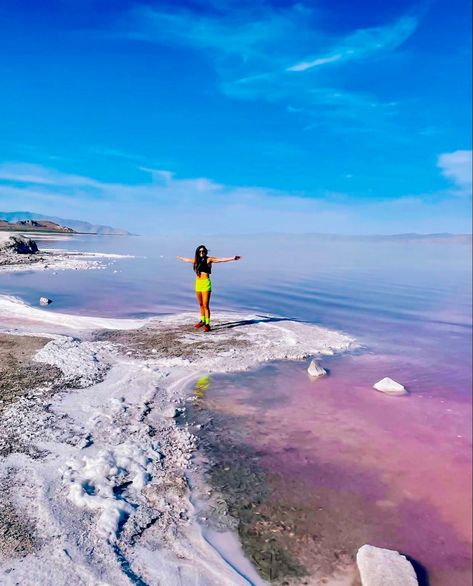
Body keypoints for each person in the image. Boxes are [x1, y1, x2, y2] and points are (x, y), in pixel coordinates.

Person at [176, 245, 241, 332]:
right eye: (200, 251)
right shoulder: (196, 260)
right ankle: (202, 321)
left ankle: (207, 324)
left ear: (205, 251)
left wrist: (233, 258)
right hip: (198, 283)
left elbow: (220, 260)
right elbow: (187, 259)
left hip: (206, 283)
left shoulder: (209, 259)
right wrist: (180, 257)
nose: (201, 253)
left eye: (203, 251)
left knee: (206, 305)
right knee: (200, 304)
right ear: (198, 252)